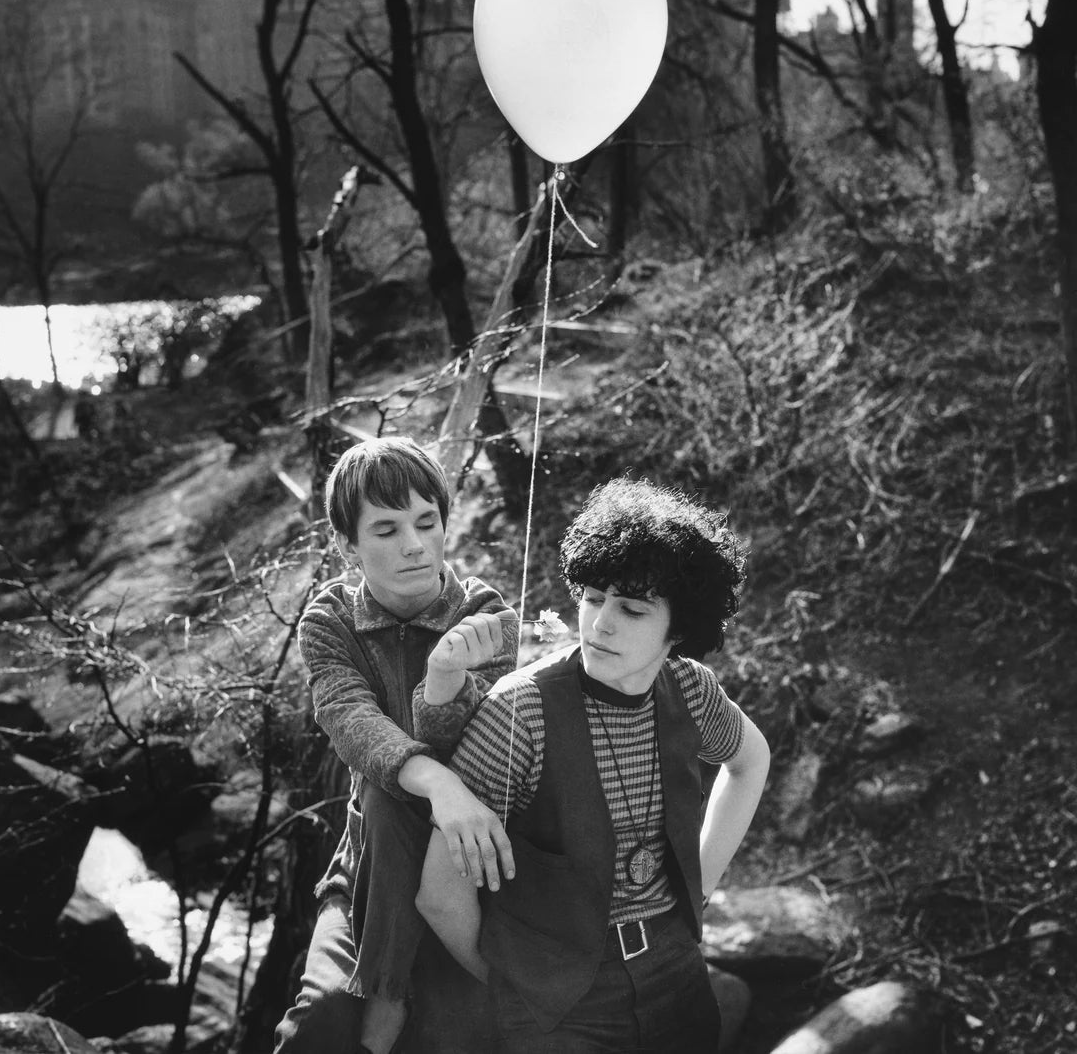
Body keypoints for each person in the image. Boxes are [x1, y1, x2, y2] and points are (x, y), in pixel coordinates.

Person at [416, 476, 771, 1054]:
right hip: (557, 1001)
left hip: (676, 970)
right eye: (592, 598)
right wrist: (514, 986)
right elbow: (439, 891)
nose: (601, 623)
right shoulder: (519, 710)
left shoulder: (690, 688)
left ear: (678, 628)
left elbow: (750, 762)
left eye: (632, 609)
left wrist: (698, 890)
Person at [273, 436, 520, 1054]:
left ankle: (392, 999)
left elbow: (483, 743)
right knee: (319, 1025)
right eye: (385, 529)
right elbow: (348, 717)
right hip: (369, 862)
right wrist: (434, 781)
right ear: (346, 545)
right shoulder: (329, 620)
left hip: (464, 854)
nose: (414, 545)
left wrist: (442, 683)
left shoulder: (484, 612)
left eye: (426, 522)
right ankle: (383, 989)